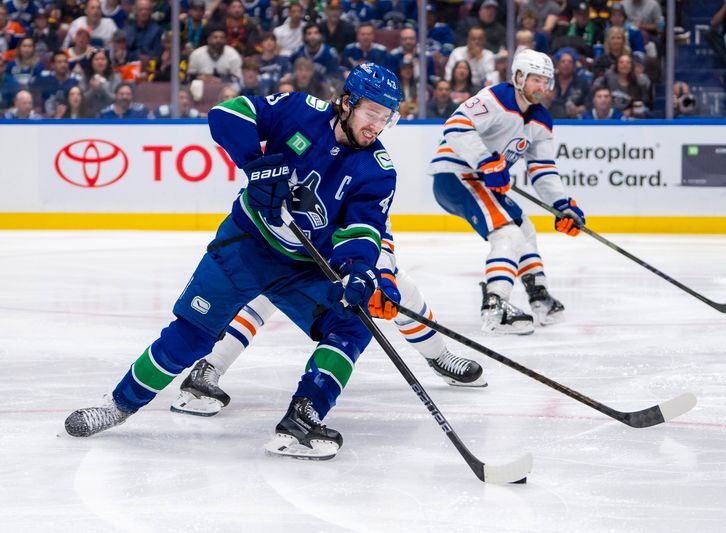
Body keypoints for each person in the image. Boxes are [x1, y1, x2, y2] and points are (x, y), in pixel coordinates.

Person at [64, 63, 405, 462]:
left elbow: (362, 230)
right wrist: (256, 165)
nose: (376, 126)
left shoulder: (379, 171)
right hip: (246, 244)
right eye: (371, 113)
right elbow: (227, 114)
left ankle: (302, 418)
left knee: (352, 324)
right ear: (346, 103)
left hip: (303, 267)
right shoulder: (301, 110)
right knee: (192, 335)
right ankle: (119, 404)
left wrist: (359, 271)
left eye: (386, 118)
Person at [171, 236, 487, 416]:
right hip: (291, 259)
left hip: (346, 267)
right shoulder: (309, 148)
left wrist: (384, 278)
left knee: (404, 290)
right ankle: (208, 367)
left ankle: (439, 355)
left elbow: (380, 235)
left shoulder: (369, 168)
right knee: (262, 295)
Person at [428, 49, 586, 334]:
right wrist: (486, 162)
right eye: (536, 80)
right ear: (518, 77)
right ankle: (495, 305)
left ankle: (539, 297)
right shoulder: (496, 98)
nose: (543, 87)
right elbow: (456, 125)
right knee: (507, 234)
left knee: (524, 228)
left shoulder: (540, 119)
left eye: (546, 81)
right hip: (456, 176)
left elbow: (542, 168)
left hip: (482, 181)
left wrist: (562, 205)